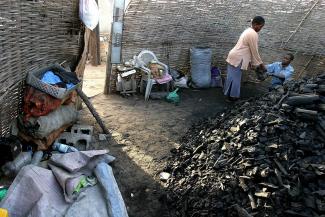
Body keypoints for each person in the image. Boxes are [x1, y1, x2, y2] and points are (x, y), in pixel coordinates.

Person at [224, 16, 266, 101]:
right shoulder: (253, 34)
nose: (260, 29)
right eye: (260, 26)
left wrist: (250, 61)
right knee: (235, 79)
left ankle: (229, 95)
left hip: (235, 56)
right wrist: (260, 64)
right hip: (238, 58)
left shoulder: (248, 31)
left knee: (231, 77)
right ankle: (232, 97)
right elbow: (254, 50)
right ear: (255, 24)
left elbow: (247, 49)